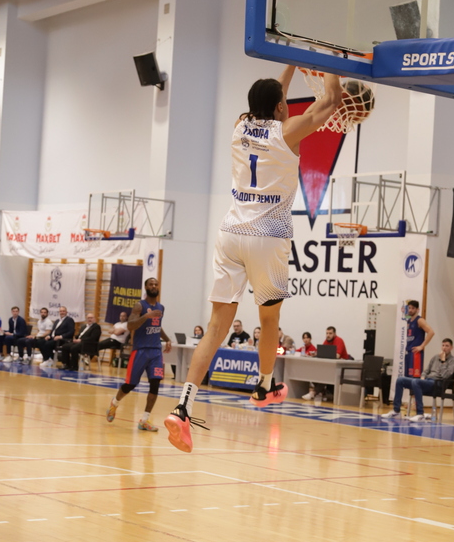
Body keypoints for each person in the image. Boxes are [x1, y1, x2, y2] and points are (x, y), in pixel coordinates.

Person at [164, 64, 342, 452]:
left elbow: (270, 95)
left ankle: (182, 408)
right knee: (269, 319)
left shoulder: (239, 125)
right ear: (280, 107)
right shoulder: (289, 132)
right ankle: (263, 386)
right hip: (268, 236)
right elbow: (331, 100)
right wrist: (334, 59)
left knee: (215, 326)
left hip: (231, 233)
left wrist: (290, 61)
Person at [106, 277, 171, 432]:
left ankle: (145, 420)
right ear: (146, 287)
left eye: (156, 284)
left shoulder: (161, 307)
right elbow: (130, 325)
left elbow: (157, 326)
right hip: (140, 350)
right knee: (130, 384)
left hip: (155, 351)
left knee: (155, 384)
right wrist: (146, 316)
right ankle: (115, 402)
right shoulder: (139, 305)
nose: (154, 286)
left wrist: (167, 339)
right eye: (151, 284)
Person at [383, 338, 454, 421]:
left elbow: (445, 376)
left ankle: (420, 413)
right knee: (400, 380)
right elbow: (426, 371)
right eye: (443, 345)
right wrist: (422, 377)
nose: (444, 348)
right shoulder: (435, 357)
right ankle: (396, 411)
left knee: (416, 382)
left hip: (438, 384)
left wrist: (443, 361)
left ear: (451, 348)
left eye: (447, 346)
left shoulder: (453, 361)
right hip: (427, 381)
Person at [403, 301, 435, 379]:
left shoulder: (420, 320)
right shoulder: (409, 321)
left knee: (414, 378)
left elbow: (431, 332)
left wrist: (421, 346)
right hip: (409, 352)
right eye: (409, 308)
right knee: (407, 378)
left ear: (417, 309)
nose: (410, 310)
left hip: (416, 353)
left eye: (413, 308)